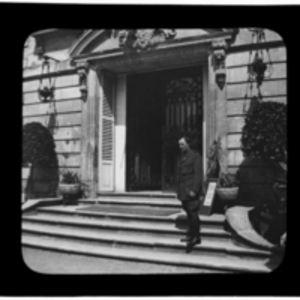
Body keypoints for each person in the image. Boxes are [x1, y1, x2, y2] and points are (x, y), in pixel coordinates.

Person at [177, 136, 203, 253]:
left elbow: (198, 175)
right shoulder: (183, 157)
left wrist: (195, 190)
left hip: (191, 191)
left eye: (182, 144)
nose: (180, 146)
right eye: (179, 144)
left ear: (188, 144)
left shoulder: (195, 156)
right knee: (188, 213)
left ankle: (196, 237)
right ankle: (190, 235)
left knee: (193, 213)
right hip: (183, 191)